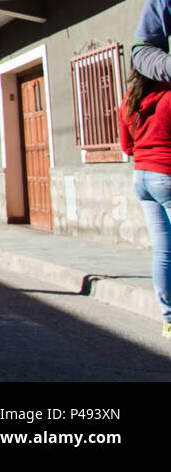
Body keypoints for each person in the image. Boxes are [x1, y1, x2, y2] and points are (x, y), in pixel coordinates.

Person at [120, 68, 171, 338]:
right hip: (167, 173)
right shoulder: (169, 95)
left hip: (141, 177)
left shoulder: (130, 98)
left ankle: (169, 319)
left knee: (163, 252)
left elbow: (126, 146)